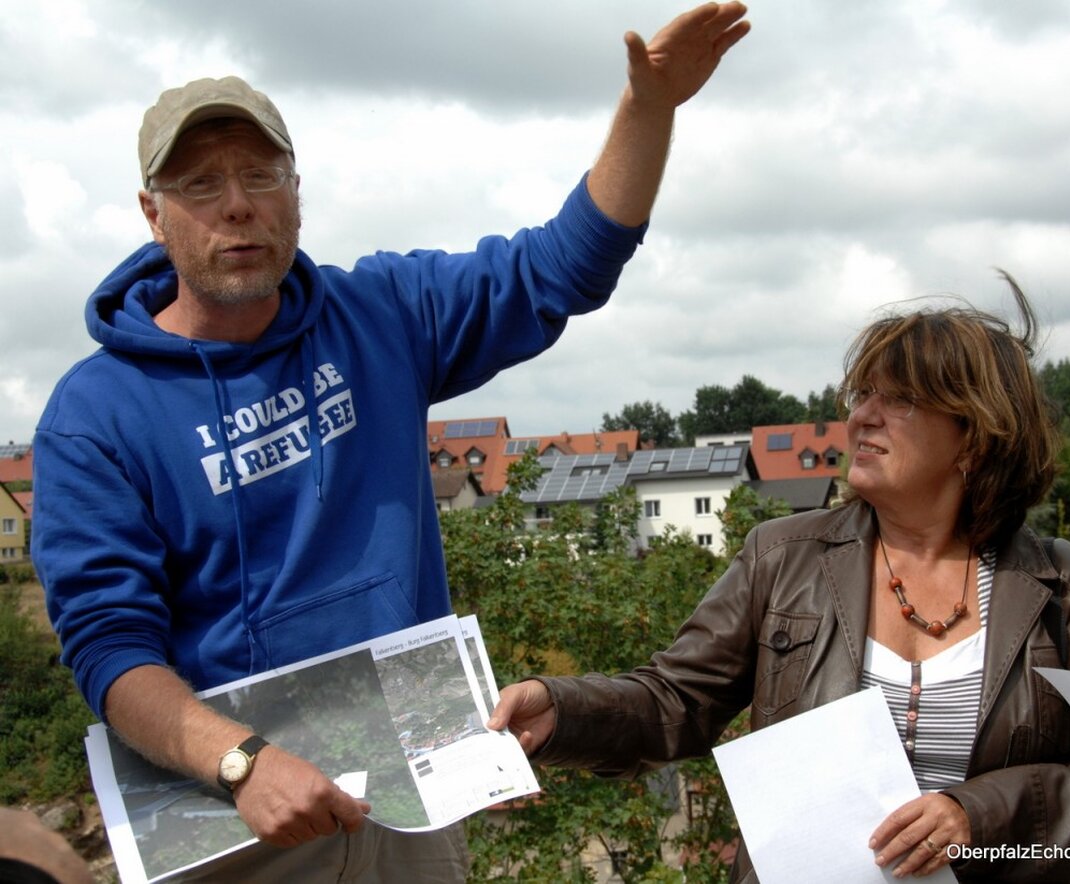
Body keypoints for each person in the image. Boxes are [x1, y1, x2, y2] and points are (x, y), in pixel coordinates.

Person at [30, 3, 751, 882]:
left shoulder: (380, 315)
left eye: (261, 175)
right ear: (154, 212)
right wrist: (241, 762)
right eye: (199, 186)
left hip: (412, 793)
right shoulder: (94, 414)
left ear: (297, 189)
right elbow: (111, 649)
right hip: (230, 815)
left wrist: (651, 106)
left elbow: (560, 269)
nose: (237, 207)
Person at [490, 275, 1070, 883]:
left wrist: (982, 823)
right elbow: (676, 699)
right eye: (862, 395)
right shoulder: (782, 558)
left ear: (976, 433)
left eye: (899, 400)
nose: (862, 417)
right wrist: (562, 712)